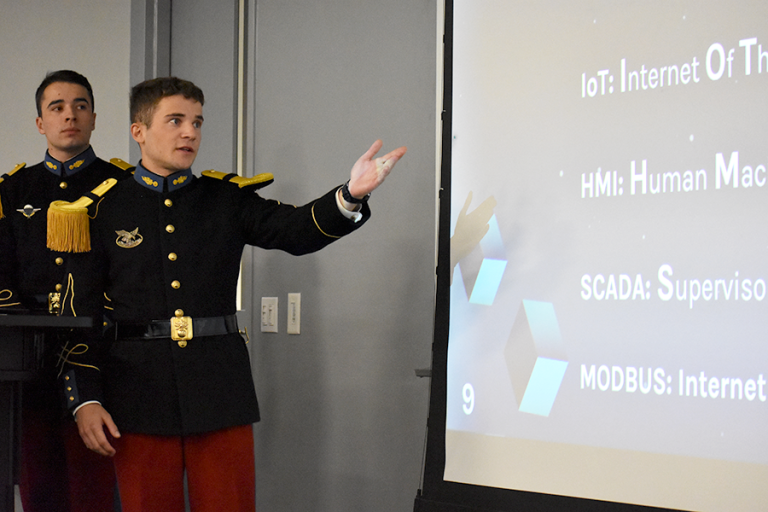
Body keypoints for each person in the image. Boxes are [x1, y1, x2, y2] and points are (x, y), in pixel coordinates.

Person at [49, 76, 406, 512]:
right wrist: (84, 397)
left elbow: (294, 230)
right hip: (136, 394)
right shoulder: (100, 209)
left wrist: (350, 195)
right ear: (138, 131)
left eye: (197, 122)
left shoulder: (225, 199)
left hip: (219, 390)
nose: (190, 132)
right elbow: (78, 314)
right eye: (176, 120)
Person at [0, 70, 122, 511]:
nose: (69, 115)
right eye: (57, 107)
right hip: (29, 363)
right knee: (38, 490)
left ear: (93, 118)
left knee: (95, 493)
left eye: (80, 106)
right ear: (40, 123)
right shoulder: (12, 189)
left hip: (102, 358)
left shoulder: (122, 187)